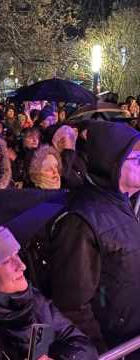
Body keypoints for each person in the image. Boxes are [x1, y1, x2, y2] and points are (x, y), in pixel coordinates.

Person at [50, 121, 140, 354]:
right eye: (137, 158)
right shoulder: (81, 221)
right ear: (113, 164)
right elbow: (72, 305)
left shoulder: (125, 203)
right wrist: (101, 351)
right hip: (117, 346)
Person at [0, 226, 98, 360]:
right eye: (7, 261)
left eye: (16, 254)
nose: (21, 265)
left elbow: (82, 344)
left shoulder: (35, 301)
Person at [44, 124, 87, 189]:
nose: (71, 138)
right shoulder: (52, 161)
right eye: (66, 137)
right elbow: (66, 178)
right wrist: (68, 151)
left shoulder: (77, 153)